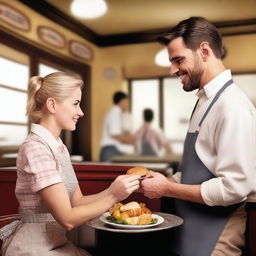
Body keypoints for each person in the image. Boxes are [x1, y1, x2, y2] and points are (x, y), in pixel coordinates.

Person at [141, 17, 256, 256]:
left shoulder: (232, 106)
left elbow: (233, 189)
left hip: (215, 240)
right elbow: (197, 172)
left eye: (178, 60)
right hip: (189, 233)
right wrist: (167, 180)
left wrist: (167, 190)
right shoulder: (205, 101)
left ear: (204, 51)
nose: (173, 70)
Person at [0, 72, 140, 255]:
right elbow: (67, 219)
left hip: (56, 243)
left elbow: (77, 202)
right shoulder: (35, 148)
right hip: (34, 247)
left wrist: (116, 189)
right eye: (75, 103)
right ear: (52, 105)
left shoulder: (59, 147)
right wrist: (113, 196)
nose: (80, 112)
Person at [100, 91, 134, 162]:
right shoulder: (114, 113)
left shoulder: (116, 113)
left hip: (111, 149)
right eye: (126, 101)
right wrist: (133, 141)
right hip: (110, 150)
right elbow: (115, 134)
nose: (127, 104)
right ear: (122, 101)